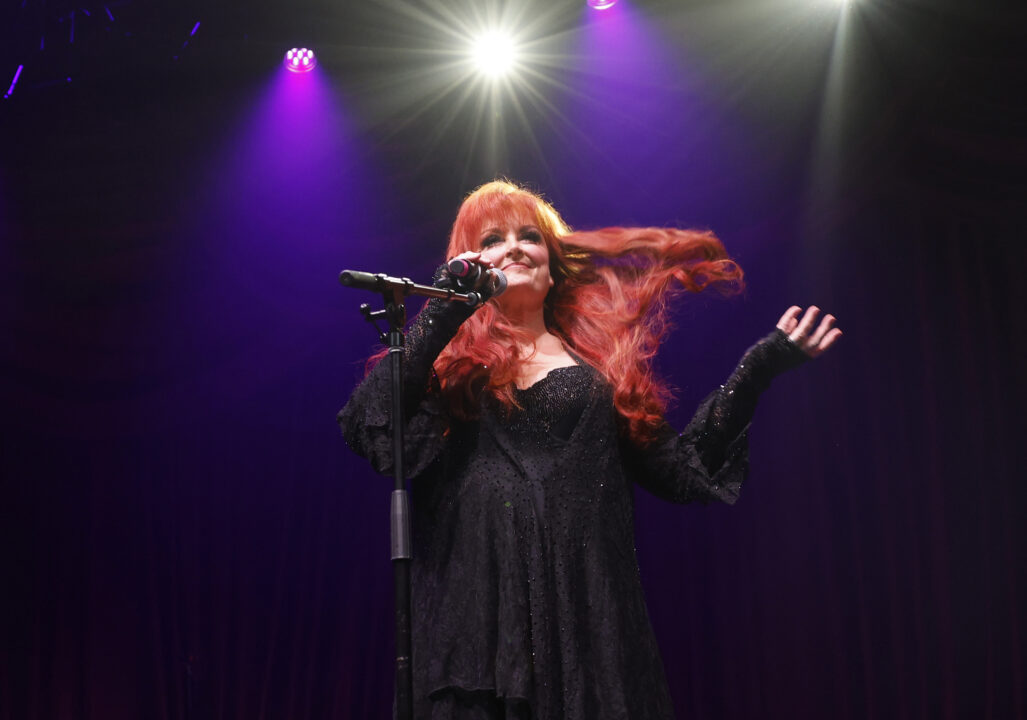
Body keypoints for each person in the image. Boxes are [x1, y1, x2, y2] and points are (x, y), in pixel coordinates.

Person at [339, 180, 841, 720]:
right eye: (493, 239)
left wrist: (759, 367)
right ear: (469, 261)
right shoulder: (447, 369)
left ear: (551, 265)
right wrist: (444, 313)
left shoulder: (601, 373)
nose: (513, 246)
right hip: (477, 624)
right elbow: (374, 425)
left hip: (583, 618)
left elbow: (683, 469)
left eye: (528, 236)